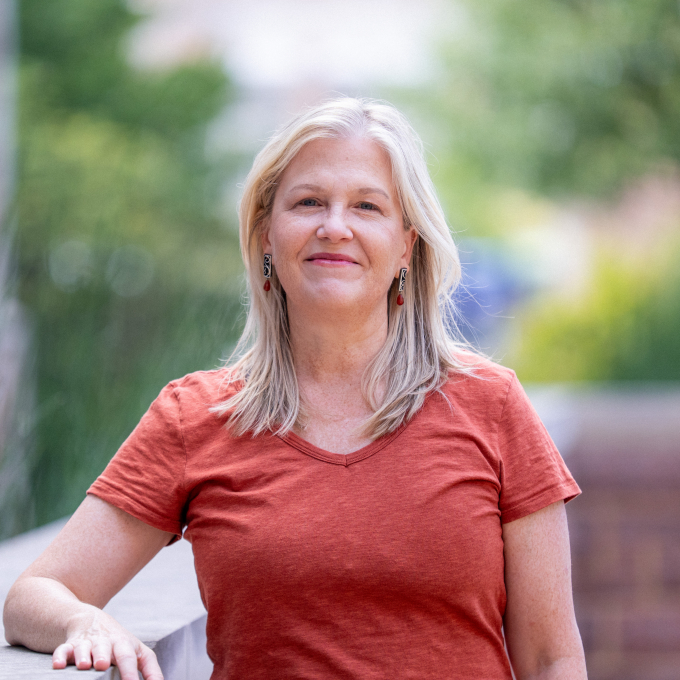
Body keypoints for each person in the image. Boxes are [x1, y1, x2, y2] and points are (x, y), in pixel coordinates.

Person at [3, 97, 587, 680]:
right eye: (308, 202)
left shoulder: (491, 404)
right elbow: (35, 594)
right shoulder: (195, 417)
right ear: (265, 235)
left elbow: (551, 659)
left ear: (407, 243)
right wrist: (85, 623)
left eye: (366, 205)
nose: (335, 227)